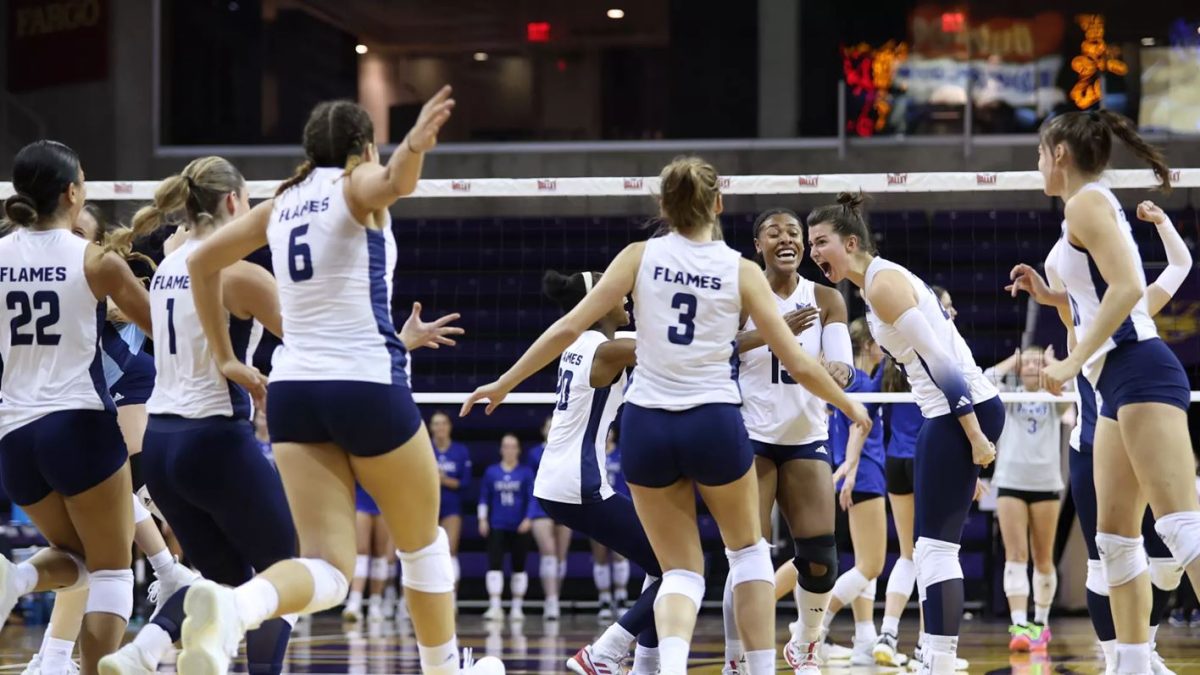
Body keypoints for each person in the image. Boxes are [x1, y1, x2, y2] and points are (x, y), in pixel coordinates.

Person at [463, 157, 869, 675]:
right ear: (718, 205)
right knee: (749, 555)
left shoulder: (637, 256)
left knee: (678, 570)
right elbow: (794, 358)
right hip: (713, 422)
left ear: (662, 206)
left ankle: (668, 667)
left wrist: (503, 383)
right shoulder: (739, 269)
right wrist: (850, 404)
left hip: (647, 426)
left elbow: (568, 328)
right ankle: (759, 669)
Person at [176, 91, 502, 675]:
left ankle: (235, 606)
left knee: (328, 569)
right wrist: (415, 147)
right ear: (363, 148)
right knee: (422, 545)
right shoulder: (355, 185)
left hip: (296, 393)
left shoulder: (281, 203)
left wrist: (226, 357)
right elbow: (394, 182)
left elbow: (201, 264)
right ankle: (445, 670)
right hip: (365, 387)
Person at [1010, 110, 1200, 675]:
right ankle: (1133, 666)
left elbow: (1130, 286)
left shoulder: (1085, 201)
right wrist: (1051, 298)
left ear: (1060, 153)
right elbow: (1097, 296)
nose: (1038, 164)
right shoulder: (1087, 207)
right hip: (1115, 380)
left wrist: (1069, 361)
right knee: (1116, 541)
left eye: (1041, 154)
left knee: (1178, 526)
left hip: (1140, 369)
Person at [92, 156, 298, 675]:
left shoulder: (170, 258)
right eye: (248, 200)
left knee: (222, 581)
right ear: (233, 203)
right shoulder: (243, 277)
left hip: (161, 446)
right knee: (286, 575)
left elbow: (177, 235)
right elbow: (316, 344)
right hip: (214, 441)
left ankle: (145, 650)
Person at [808, 191, 1004, 674]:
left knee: (933, 550)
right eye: (811, 244)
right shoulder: (874, 286)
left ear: (850, 242)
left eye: (820, 242)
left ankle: (938, 658)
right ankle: (936, 656)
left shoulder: (882, 284)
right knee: (931, 548)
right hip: (952, 413)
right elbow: (914, 364)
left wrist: (974, 436)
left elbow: (942, 363)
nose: (814, 253)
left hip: (958, 411)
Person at [0, 140, 151, 672]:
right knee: (112, 569)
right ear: (72, 191)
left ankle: (14, 579)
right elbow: (163, 327)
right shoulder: (96, 259)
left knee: (81, 561)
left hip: (13, 435)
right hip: (79, 424)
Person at [720, 206, 855, 674]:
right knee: (747, 558)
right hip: (750, 436)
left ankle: (806, 642)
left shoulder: (826, 297)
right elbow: (718, 348)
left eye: (794, 233)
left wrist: (840, 370)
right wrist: (771, 333)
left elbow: (842, 363)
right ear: (757, 245)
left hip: (805, 437)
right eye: (774, 232)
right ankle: (737, 659)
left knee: (820, 560)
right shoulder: (739, 293)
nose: (787, 239)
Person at [525, 270, 661, 675]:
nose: (627, 300)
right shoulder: (607, 350)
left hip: (559, 479)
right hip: (576, 482)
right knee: (682, 568)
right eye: (618, 294)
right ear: (600, 304)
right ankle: (604, 651)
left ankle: (645, 664)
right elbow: (683, 346)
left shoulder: (580, 343)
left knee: (664, 565)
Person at [986, 346, 1066, 651]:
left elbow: (1073, 380)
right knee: (1016, 555)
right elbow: (984, 379)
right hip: (1010, 481)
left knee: (1043, 557)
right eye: (1027, 362)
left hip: (1046, 483)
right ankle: (1019, 625)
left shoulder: (1056, 395)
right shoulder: (1006, 395)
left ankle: (1041, 625)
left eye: (1038, 362)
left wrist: (1051, 363)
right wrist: (1013, 359)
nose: (1033, 366)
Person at [822, 318, 889, 665]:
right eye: (879, 340)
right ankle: (814, 627)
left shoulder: (848, 385)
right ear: (867, 345)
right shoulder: (860, 382)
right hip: (864, 473)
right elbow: (856, 429)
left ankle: (865, 640)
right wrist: (849, 471)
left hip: (857, 472)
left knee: (865, 561)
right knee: (872, 563)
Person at [872, 359, 922, 667]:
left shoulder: (887, 363)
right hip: (925, 458)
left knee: (907, 555)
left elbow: (880, 412)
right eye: (947, 308)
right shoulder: (934, 351)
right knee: (934, 553)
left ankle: (888, 634)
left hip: (895, 460)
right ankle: (926, 647)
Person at [478, 433, 535, 621]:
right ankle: (495, 607)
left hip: (519, 525)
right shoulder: (491, 472)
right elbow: (484, 497)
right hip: (497, 524)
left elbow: (532, 498)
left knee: (519, 566)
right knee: (494, 565)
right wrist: (482, 519)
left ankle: (517, 608)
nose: (509, 450)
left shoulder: (526, 472)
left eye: (513, 446)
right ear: (501, 449)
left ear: (518, 449)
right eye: (506, 446)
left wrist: (529, 519)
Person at [523, 416, 572, 621]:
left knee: (561, 556)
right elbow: (528, 482)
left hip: (565, 503)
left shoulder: (568, 448)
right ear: (543, 430)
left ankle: (556, 597)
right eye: (548, 426)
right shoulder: (534, 453)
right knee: (549, 553)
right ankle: (550, 601)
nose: (551, 429)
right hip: (540, 506)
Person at [342, 485, 398, 624]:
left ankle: (375, 604)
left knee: (380, 554)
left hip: (384, 499)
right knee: (361, 550)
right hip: (361, 497)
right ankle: (354, 603)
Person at [430, 410, 472, 589]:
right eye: (436, 423)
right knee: (423, 552)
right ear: (431, 427)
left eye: (443, 423)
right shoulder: (424, 449)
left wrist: (443, 479)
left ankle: (450, 597)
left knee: (450, 551)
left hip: (451, 507)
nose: (440, 427)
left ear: (449, 426)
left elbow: (465, 482)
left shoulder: (460, 451)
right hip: (427, 506)